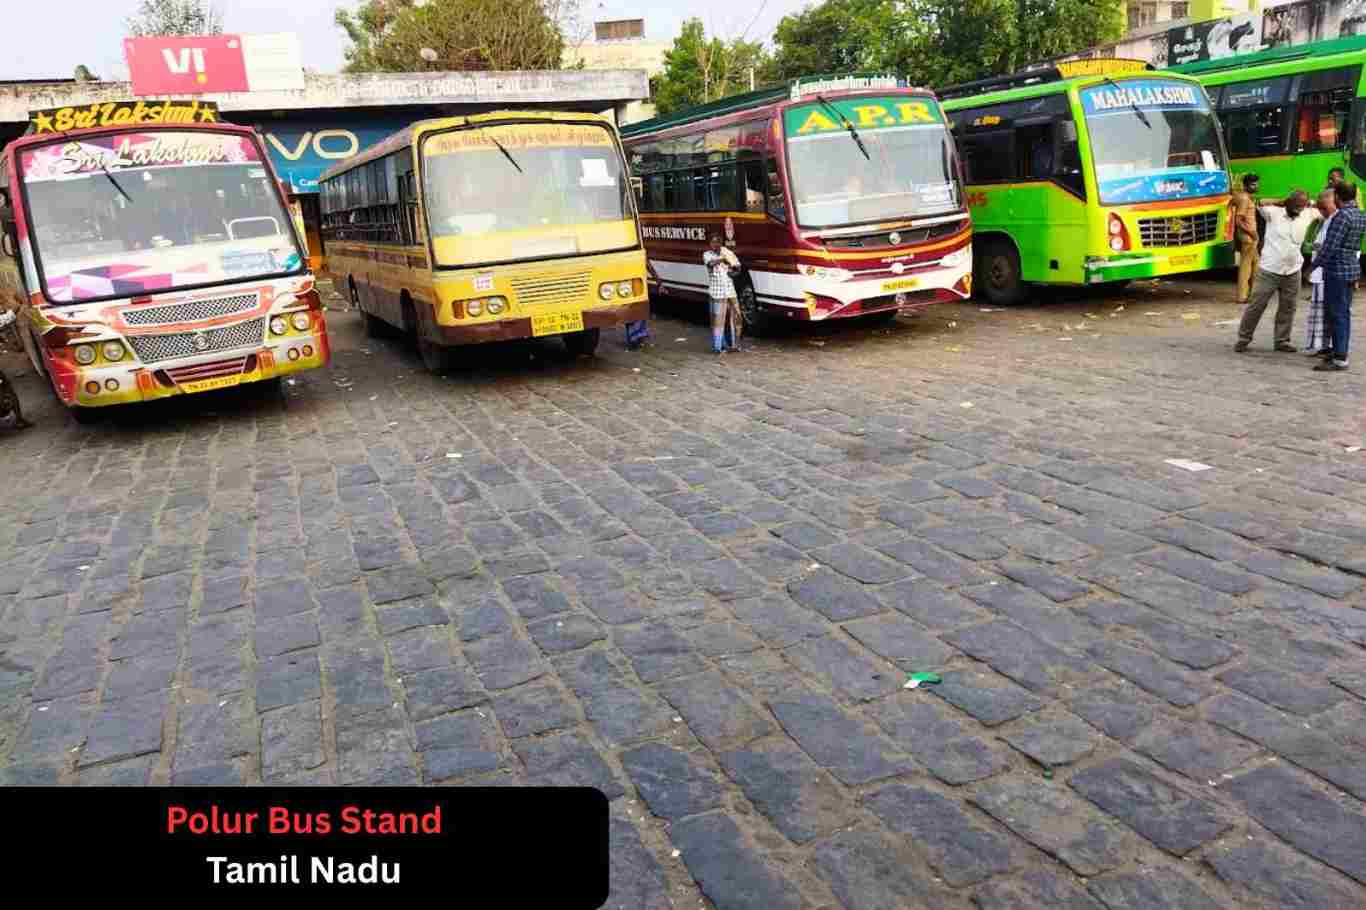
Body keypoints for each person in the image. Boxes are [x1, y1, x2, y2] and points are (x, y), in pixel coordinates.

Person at [1235, 190, 1319, 353]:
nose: (1297, 211)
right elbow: (1261, 201)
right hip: (1269, 270)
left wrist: (1309, 203)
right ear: (1287, 203)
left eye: (1300, 208)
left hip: (1293, 270)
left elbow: (1325, 208)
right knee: (1257, 305)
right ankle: (1243, 338)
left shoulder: (1308, 213)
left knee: (1288, 307)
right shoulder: (1273, 213)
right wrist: (1281, 200)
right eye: (1294, 207)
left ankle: (1282, 341)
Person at [1310, 181, 1366, 371]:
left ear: (1337, 197)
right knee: (1343, 313)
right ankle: (1338, 351)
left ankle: (1340, 357)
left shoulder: (1341, 217)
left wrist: (1314, 265)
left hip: (1337, 271)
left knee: (1337, 314)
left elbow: (1330, 247)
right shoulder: (1360, 214)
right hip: (1351, 269)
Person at [1303, 188, 1338, 356]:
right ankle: (1322, 345)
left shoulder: (1338, 221)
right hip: (1320, 276)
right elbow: (1312, 243)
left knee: (1331, 312)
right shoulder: (1322, 221)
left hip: (1331, 274)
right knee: (1320, 312)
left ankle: (1332, 347)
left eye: (1324, 207)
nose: (1321, 211)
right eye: (1320, 208)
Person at [703, 234, 742, 354]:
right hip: (717, 293)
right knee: (718, 321)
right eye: (713, 242)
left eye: (718, 242)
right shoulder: (707, 254)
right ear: (710, 244)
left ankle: (734, 345)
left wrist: (733, 272)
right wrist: (722, 259)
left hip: (730, 291)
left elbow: (738, 267)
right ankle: (718, 347)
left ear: (721, 243)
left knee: (736, 318)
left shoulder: (728, 252)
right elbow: (710, 264)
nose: (715, 244)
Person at [1230, 173, 1261, 303]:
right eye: (1253, 184)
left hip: (1249, 236)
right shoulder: (1244, 199)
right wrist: (1252, 233)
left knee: (1255, 264)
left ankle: (1252, 294)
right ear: (1246, 185)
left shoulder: (1245, 197)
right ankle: (1242, 296)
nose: (1256, 187)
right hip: (1248, 236)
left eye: (1257, 184)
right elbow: (1238, 220)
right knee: (1246, 266)